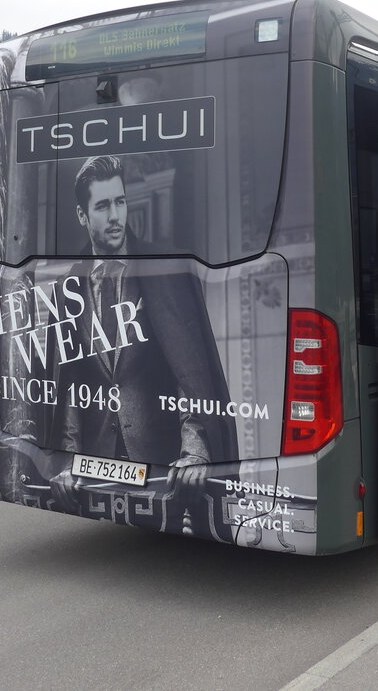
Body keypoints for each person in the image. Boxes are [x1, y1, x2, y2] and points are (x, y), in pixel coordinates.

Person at [49, 155, 237, 509]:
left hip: (165, 467)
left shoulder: (165, 273)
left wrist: (194, 452)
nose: (116, 216)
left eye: (120, 202)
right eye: (102, 206)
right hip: (95, 468)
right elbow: (69, 383)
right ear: (82, 216)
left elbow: (189, 372)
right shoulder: (68, 286)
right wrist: (66, 461)